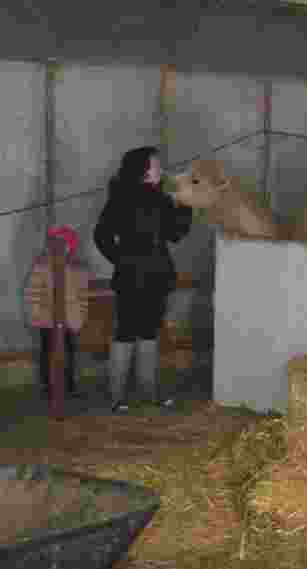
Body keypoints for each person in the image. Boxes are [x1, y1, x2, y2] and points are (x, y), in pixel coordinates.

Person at [94, 146, 193, 413]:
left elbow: (176, 233)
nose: (160, 169)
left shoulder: (162, 199)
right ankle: (116, 398)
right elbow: (101, 235)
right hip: (130, 277)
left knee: (149, 331)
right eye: (155, 165)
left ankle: (149, 393)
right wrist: (121, 259)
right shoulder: (120, 199)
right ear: (142, 170)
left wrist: (185, 205)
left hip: (157, 276)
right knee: (126, 332)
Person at [26, 225, 85, 399]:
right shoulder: (42, 266)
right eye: (54, 243)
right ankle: (48, 385)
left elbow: (80, 296)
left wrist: (78, 318)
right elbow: (33, 293)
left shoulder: (76, 267)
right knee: (48, 352)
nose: (59, 248)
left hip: (68, 320)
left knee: (68, 352)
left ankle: (68, 385)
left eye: (63, 245)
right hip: (47, 320)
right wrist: (37, 314)